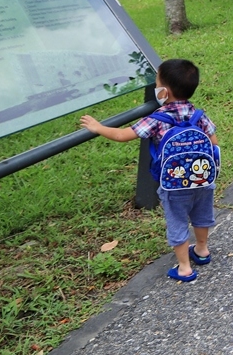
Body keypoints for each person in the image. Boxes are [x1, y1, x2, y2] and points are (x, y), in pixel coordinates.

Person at [80, 59, 217, 283]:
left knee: (177, 221)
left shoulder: (157, 120)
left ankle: (184, 268)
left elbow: (122, 135)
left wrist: (98, 127)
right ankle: (202, 251)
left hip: (173, 185)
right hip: (202, 180)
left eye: (157, 83)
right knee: (201, 215)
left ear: (164, 91)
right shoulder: (198, 115)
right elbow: (213, 143)